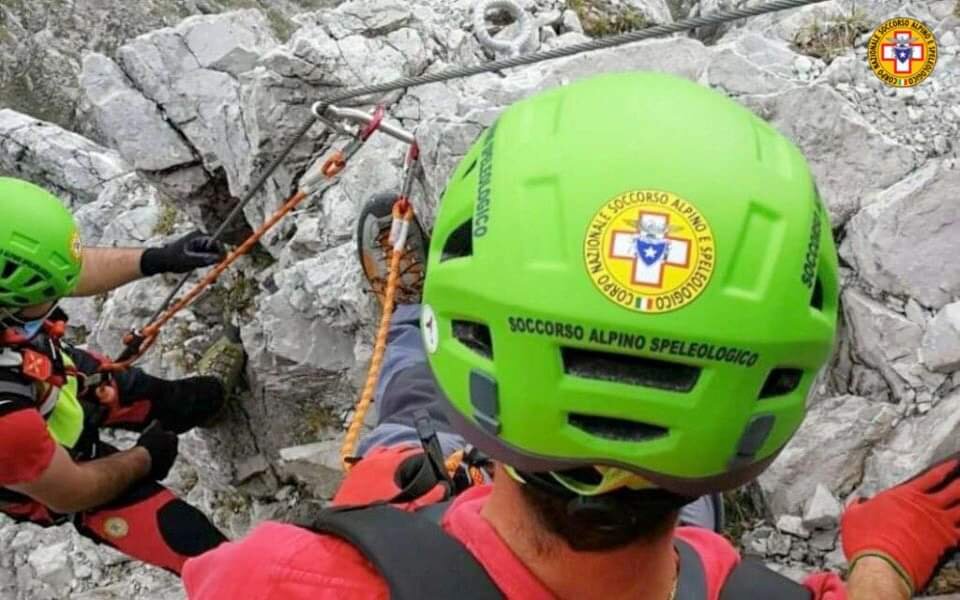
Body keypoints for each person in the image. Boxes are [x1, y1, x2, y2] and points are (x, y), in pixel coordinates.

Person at [182, 73, 955, 599]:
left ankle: (415, 312)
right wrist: (883, 565)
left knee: (410, 413)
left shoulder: (282, 580)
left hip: (441, 501)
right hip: (675, 554)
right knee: (689, 530)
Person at [0, 177, 231, 574]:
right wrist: (143, 459)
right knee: (202, 551)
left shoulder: (14, 298)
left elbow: (59, 274)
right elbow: (71, 492)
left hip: (51, 373)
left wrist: (158, 258)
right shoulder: (6, 423)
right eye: (45, 299)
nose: (56, 301)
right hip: (55, 468)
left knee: (185, 398)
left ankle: (204, 402)